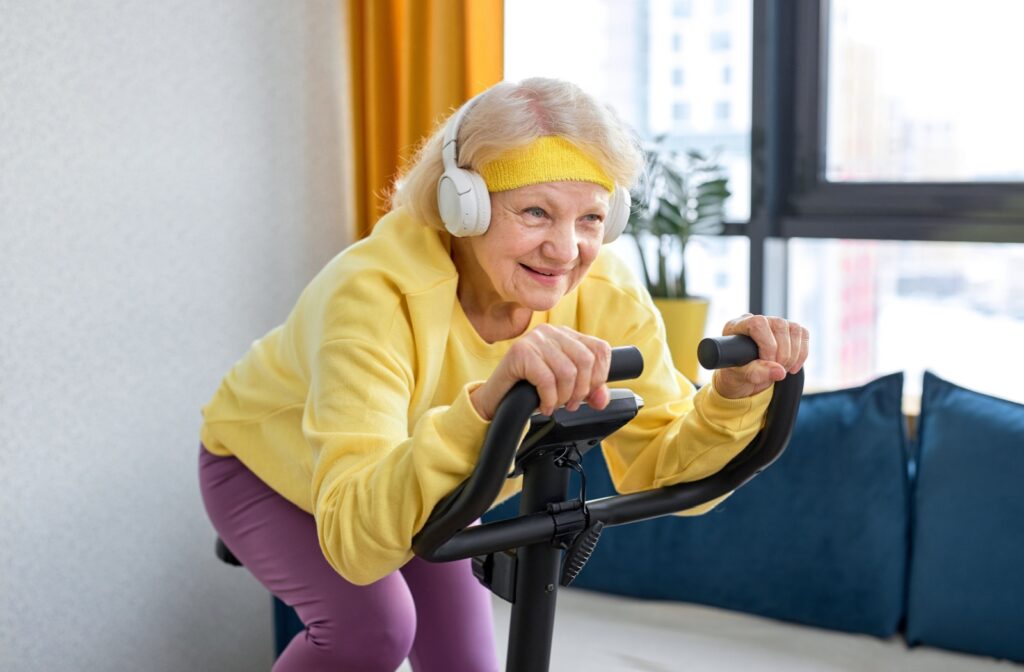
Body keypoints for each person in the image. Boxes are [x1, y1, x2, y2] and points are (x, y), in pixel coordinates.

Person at [199, 77, 809, 671]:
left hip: (429, 474)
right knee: (373, 629)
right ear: (460, 205)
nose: (566, 250)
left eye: (591, 219)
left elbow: (659, 467)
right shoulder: (372, 293)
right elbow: (357, 541)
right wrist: (486, 406)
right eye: (536, 212)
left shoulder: (604, 289)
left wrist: (730, 400)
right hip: (269, 469)